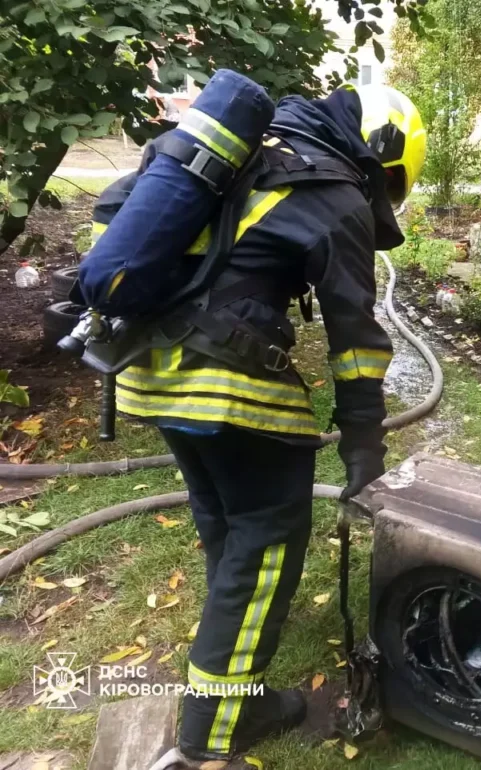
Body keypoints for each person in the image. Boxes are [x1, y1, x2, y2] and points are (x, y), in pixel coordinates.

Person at [83, 85, 426, 763]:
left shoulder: (230, 156)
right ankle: (219, 724)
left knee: (223, 515)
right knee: (266, 536)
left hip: (146, 373)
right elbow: (355, 338)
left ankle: (232, 632)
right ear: (380, 154)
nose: (382, 196)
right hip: (228, 385)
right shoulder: (333, 190)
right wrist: (364, 441)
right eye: (389, 183)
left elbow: (117, 219)